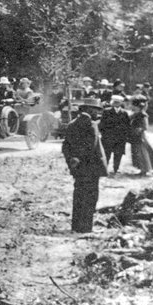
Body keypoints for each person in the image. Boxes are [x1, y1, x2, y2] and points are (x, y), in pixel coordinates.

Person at [62, 98, 107, 234]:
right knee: (90, 197)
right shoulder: (92, 124)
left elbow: (65, 146)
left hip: (78, 168)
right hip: (91, 167)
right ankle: (86, 228)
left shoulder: (71, 124)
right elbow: (91, 146)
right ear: (88, 110)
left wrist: (72, 160)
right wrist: (80, 158)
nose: (98, 113)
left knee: (79, 195)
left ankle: (76, 226)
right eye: (96, 110)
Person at [98, 95, 131, 175]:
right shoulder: (106, 111)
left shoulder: (124, 113)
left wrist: (125, 136)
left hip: (120, 138)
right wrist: (104, 134)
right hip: (108, 137)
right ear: (112, 103)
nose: (116, 104)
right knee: (107, 154)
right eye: (115, 102)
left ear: (121, 103)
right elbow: (102, 124)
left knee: (118, 154)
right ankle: (104, 169)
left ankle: (116, 169)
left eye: (118, 102)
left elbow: (127, 126)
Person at [127, 97, 153, 176]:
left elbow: (145, 127)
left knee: (142, 152)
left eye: (133, 105)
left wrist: (138, 130)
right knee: (137, 152)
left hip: (140, 136)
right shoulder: (134, 114)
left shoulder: (143, 115)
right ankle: (141, 169)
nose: (131, 107)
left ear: (136, 106)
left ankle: (145, 169)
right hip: (134, 135)